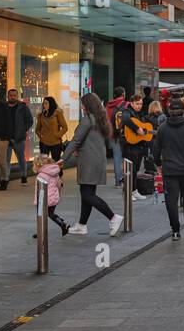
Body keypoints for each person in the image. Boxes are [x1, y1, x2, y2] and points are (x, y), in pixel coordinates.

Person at [60, 92, 123, 235]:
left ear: (88, 105)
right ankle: (82, 225)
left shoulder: (88, 119)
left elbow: (76, 140)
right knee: (87, 193)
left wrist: (62, 159)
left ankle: (113, 217)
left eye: (83, 104)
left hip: (88, 161)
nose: (81, 106)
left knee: (88, 195)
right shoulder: (100, 119)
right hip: (97, 160)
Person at [149, 97, 184, 240]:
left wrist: (158, 163)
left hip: (169, 169)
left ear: (169, 111)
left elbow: (156, 147)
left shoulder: (163, 127)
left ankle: (175, 230)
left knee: (171, 200)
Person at [117, 95, 155, 199]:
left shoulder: (140, 114)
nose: (139, 106)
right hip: (129, 146)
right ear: (132, 103)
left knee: (136, 169)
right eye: (137, 104)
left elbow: (145, 129)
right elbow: (125, 119)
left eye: (141, 104)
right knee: (130, 170)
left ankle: (134, 190)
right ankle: (127, 192)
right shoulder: (126, 111)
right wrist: (137, 129)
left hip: (138, 145)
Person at [5, 88, 34, 184]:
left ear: (17, 96)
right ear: (7, 96)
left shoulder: (22, 107)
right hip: (6, 138)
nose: (12, 97)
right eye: (11, 95)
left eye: (14, 95)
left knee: (21, 158)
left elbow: (30, 121)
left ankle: (24, 176)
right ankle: (5, 178)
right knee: (6, 160)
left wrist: (22, 131)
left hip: (19, 138)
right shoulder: (3, 107)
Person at [33, 96, 68, 162]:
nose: (44, 105)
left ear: (51, 104)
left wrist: (57, 135)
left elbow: (65, 127)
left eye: (46, 103)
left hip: (56, 143)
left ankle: (58, 172)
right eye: (43, 103)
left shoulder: (57, 113)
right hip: (44, 143)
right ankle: (45, 172)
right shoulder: (41, 115)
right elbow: (37, 129)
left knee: (57, 162)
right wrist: (41, 136)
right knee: (43, 163)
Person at [106, 87, 128, 187]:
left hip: (113, 134)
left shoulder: (108, 105)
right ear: (123, 94)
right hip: (124, 134)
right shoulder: (126, 104)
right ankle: (127, 179)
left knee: (116, 157)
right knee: (127, 157)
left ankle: (117, 181)